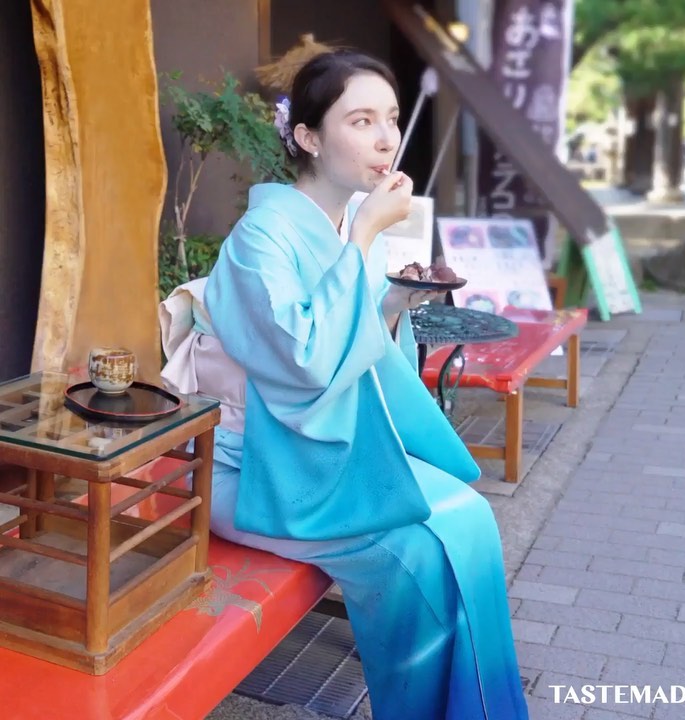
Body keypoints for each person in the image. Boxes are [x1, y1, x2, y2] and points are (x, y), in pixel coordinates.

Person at [168, 50, 528, 720]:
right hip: (254, 468)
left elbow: (357, 350)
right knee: (419, 557)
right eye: (361, 121)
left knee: (472, 520)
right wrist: (363, 236)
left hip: (319, 453)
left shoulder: (350, 228)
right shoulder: (260, 238)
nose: (387, 139)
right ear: (308, 137)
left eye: (391, 119)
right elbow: (306, 362)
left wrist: (392, 303)